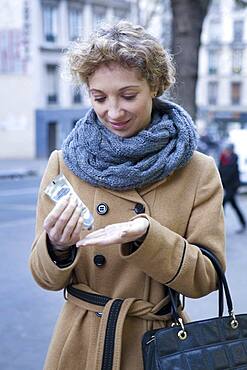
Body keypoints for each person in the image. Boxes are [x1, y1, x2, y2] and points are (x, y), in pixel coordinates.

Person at [29, 21, 225, 370]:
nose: (114, 112)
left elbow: (207, 278)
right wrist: (57, 247)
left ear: (155, 86)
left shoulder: (198, 170)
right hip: (80, 344)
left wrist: (148, 237)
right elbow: (45, 278)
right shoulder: (64, 164)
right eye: (99, 97)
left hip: (157, 346)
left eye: (129, 95)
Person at [219, 143, 246, 233]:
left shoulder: (234, 159)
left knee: (223, 203)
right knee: (234, 206)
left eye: (227, 150)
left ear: (230, 151)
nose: (225, 151)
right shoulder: (223, 159)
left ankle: (218, 225)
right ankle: (243, 223)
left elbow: (230, 173)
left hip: (233, 187)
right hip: (226, 186)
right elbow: (219, 171)